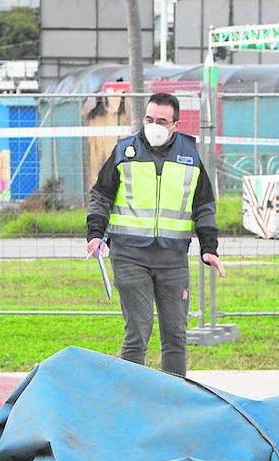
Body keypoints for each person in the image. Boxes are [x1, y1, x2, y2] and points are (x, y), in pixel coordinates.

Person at [86, 93, 224, 378]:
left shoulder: (190, 156)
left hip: (172, 259)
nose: (154, 125)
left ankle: (174, 400)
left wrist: (209, 247)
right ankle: (132, 398)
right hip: (128, 255)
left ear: (175, 124)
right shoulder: (124, 152)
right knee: (138, 331)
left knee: (175, 336)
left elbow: (204, 206)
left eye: (161, 121)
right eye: (149, 119)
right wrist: (95, 233)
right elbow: (101, 196)